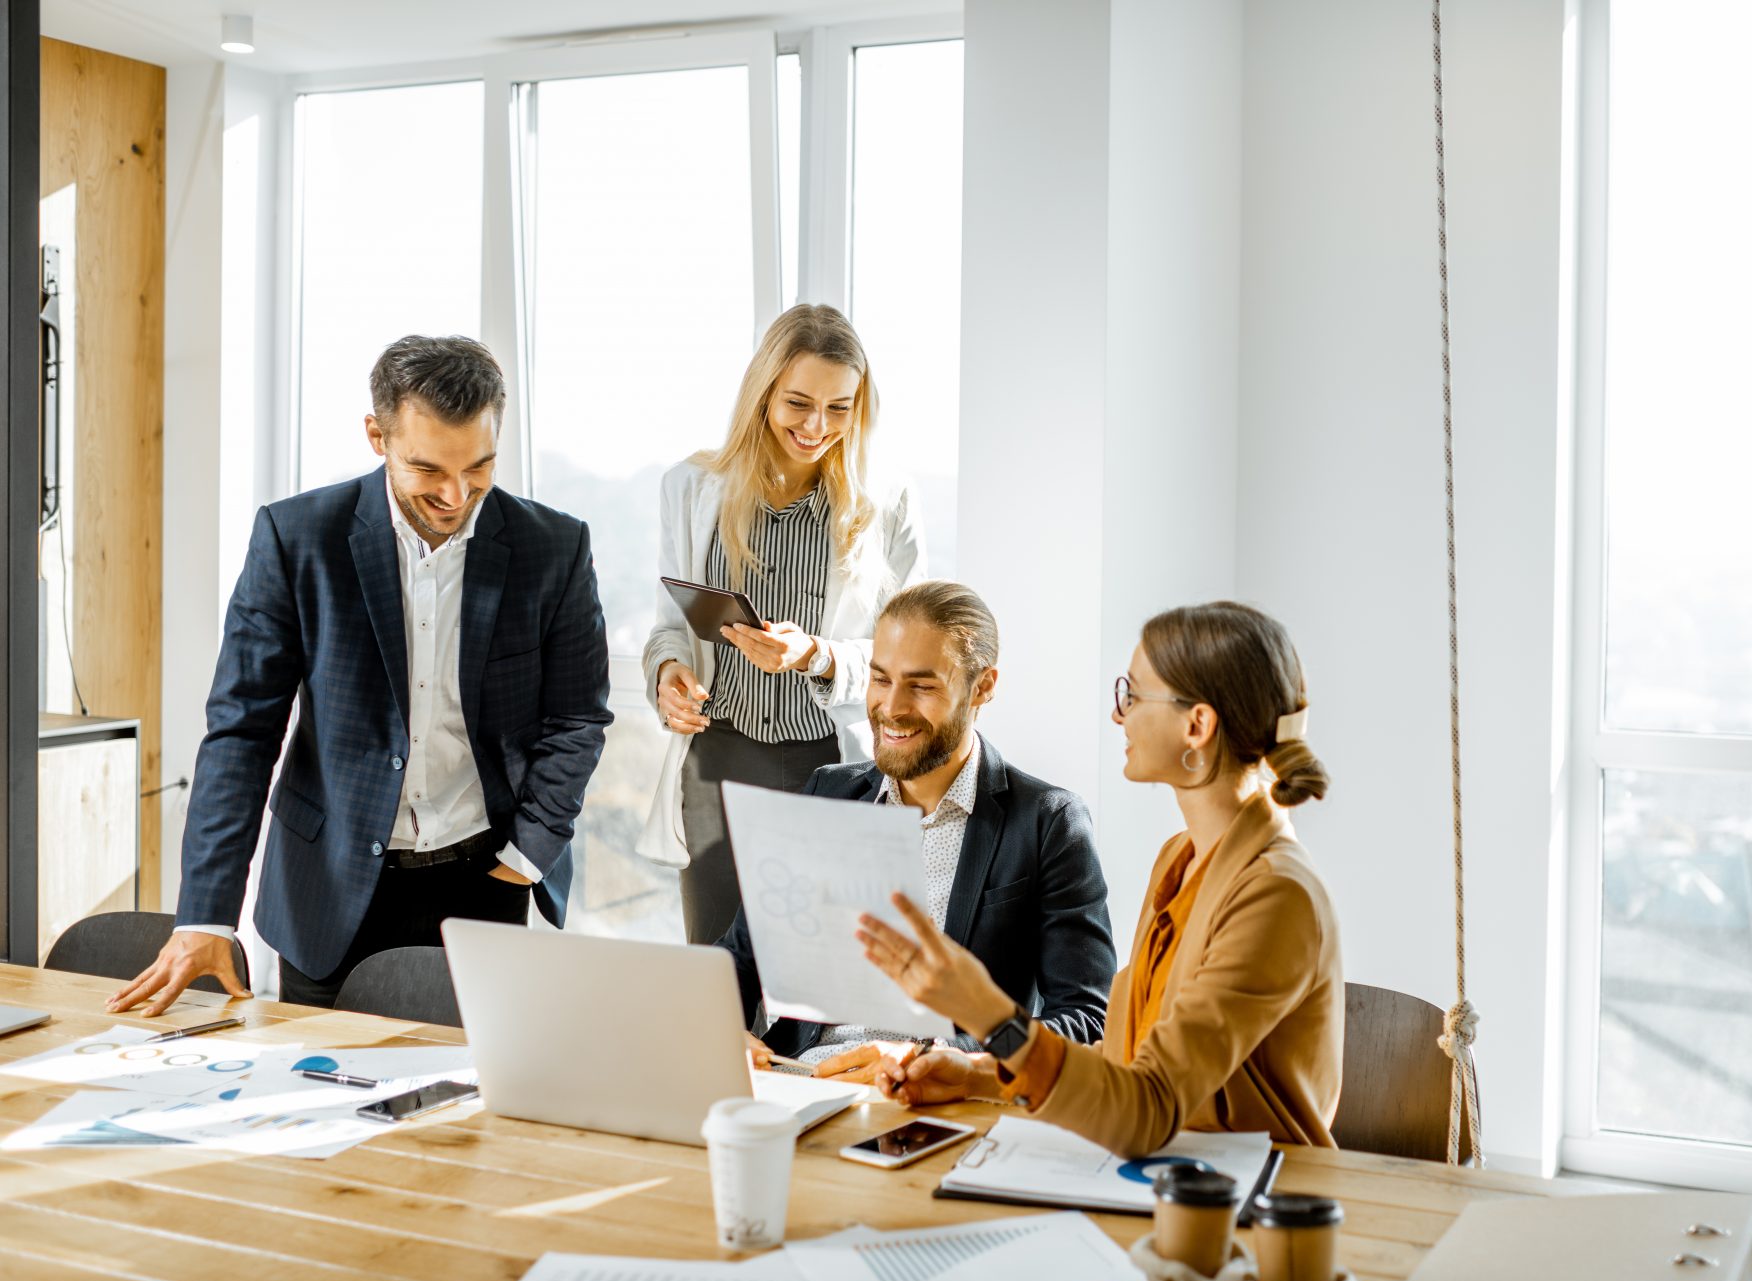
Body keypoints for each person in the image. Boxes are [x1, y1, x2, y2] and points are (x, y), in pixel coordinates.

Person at [108, 335, 612, 1013]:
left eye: (480, 466)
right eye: (428, 467)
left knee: (469, 1107)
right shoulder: (297, 539)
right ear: (377, 434)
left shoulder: (554, 547)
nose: (456, 493)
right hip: (328, 885)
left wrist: (526, 855)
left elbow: (577, 717)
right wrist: (205, 914)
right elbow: (242, 733)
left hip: (485, 879)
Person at [860, 601, 1340, 1158]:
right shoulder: (1180, 858)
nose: (1118, 715)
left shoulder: (1276, 893)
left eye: (1132, 696)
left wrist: (988, 1013)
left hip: (1247, 1196)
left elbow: (1144, 1112)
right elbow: (1122, 1069)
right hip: (1163, 1169)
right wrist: (977, 1075)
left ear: (1197, 725)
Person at [720, 581, 1117, 1082]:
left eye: (922, 686)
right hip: (800, 1079)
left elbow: (1085, 1023)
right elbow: (738, 955)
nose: (891, 707)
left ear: (984, 687)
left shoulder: (1048, 822)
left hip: (939, 1094)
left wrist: (937, 1057)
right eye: (880, 679)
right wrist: (722, 1029)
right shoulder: (828, 791)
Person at [641, 304, 924, 945]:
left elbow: (911, 656)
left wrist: (816, 656)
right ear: (764, 392)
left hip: (829, 765)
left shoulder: (890, 501)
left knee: (821, 979)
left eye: (839, 408)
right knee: (717, 979)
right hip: (718, 763)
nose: (817, 426)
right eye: (798, 402)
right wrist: (668, 673)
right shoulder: (689, 488)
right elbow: (669, 627)